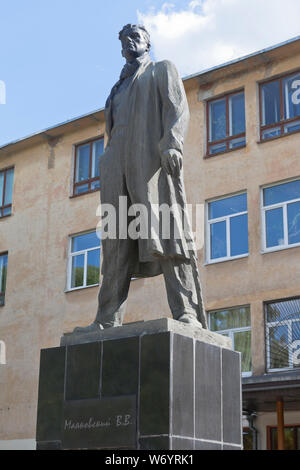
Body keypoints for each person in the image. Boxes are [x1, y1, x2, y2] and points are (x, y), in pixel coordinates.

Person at [75, 24, 207, 333]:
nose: (130, 41)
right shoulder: (116, 89)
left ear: (148, 42)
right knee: (115, 244)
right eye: (125, 39)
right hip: (115, 169)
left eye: (136, 36)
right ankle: (107, 317)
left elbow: (178, 108)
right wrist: (106, 162)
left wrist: (173, 144)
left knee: (167, 233)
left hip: (150, 165)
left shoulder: (161, 70)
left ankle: (186, 312)